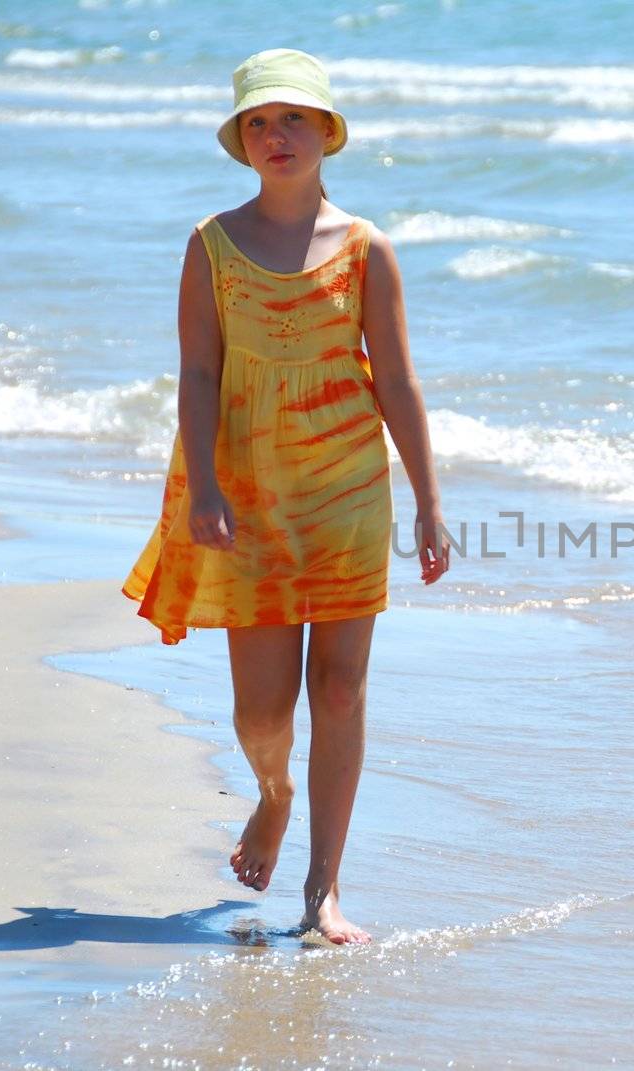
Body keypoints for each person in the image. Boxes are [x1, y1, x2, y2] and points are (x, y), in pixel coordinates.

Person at [121, 48, 449, 946]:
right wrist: (205, 484)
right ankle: (273, 793)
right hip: (248, 495)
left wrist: (426, 499)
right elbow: (196, 371)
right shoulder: (211, 246)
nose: (277, 135)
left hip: (346, 490)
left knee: (339, 692)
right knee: (262, 709)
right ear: (240, 142)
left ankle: (324, 893)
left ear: (328, 132)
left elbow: (399, 382)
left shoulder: (367, 248)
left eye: (293, 118)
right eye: (259, 122)